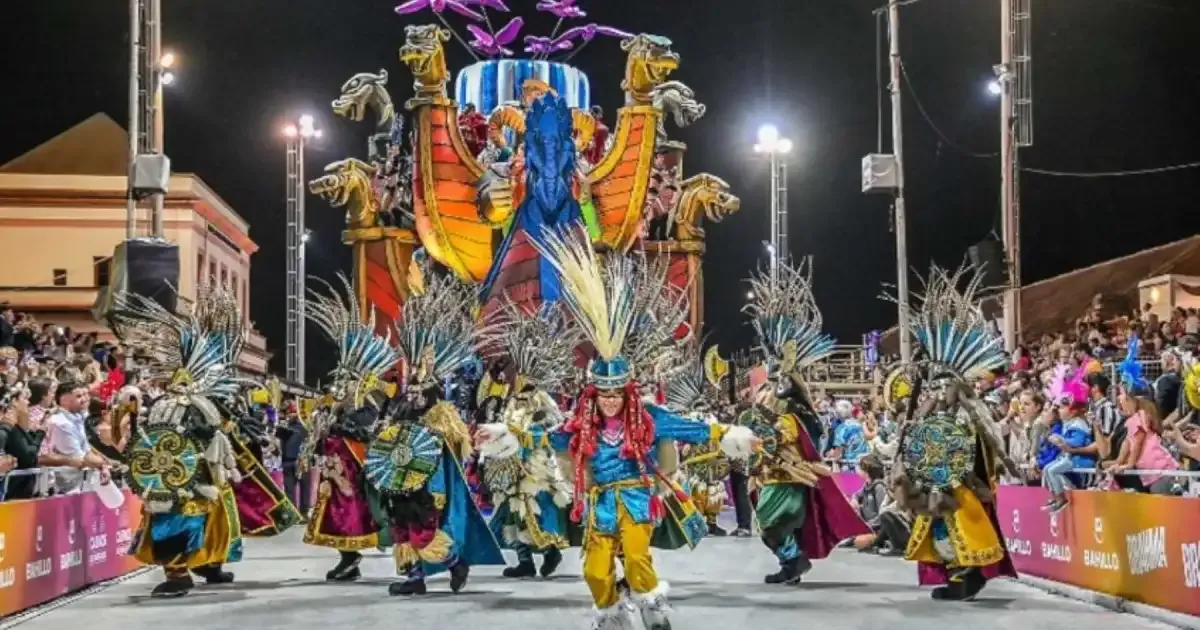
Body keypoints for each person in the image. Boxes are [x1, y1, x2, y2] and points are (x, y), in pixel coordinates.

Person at [478, 228, 752, 630]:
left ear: (626, 391)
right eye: (602, 393)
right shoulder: (581, 422)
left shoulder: (647, 416)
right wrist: (509, 437)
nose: (609, 400)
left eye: (615, 393)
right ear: (593, 393)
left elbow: (691, 429)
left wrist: (727, 435)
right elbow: (546, 438)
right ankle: (611, 614)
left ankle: (653, 612)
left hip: (638, 500)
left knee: (639, 559)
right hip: (597, 503)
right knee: (595, 571)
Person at [371, 261, 504, 597]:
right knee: (402, 529)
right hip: (401, 481)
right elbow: (388, 440)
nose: (413, 392)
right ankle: (414, 577)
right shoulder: (400, 409)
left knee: (424, 531)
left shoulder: (441, 412)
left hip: (431, 485)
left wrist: (441, 437)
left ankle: (455, 562)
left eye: (419, 388)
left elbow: (460, 446)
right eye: (410, 387)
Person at [886, 264, 1019, 602]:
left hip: (960, 486)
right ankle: (959, 577)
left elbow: (982, 447)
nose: (938, 390)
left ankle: (967, 577)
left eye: (944, 384)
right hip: (939, 483)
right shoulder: (935, 411)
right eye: (936, 384)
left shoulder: (969, 411)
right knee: (940, 528)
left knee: (961, 528)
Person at [736, 260, 870, 586]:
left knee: (772, 524)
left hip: (789, 478)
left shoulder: (795, 412)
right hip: (770, 477)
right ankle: (792, 563)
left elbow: (792, 438)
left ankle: (794, 562)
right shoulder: (770, 407)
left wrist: (765, 433)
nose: (773, 383)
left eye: (779, 377)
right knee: (771, 527)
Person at [112, 288, 245, 597]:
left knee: (212, 518)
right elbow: (163, 440)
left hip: (199, 476)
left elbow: (211, 435)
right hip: (179, 478)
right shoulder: (177, 405)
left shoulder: (203, 405)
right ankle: (179, 573)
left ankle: (207, 565)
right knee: (180, 520)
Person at [301, 277, 396, 582]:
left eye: (346, 376)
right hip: (334, 466)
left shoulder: (366, 397)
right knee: (336, 511)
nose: (340, 382)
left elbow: (363, 427)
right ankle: (348, 557)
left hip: (353, 467)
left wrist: (339, 425)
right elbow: (323, 426)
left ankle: (355, 555)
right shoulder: (337, 398)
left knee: (353, 511)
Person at [474, 299, 577, 579]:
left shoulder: (540, 397)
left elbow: (556, 424)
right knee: (509, 510)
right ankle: (524, 561)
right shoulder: (510, 398)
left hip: (534, 464)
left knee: (533, 507)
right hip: (509, 463)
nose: (516, 377)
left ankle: (549, 552)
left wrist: (530, 435)